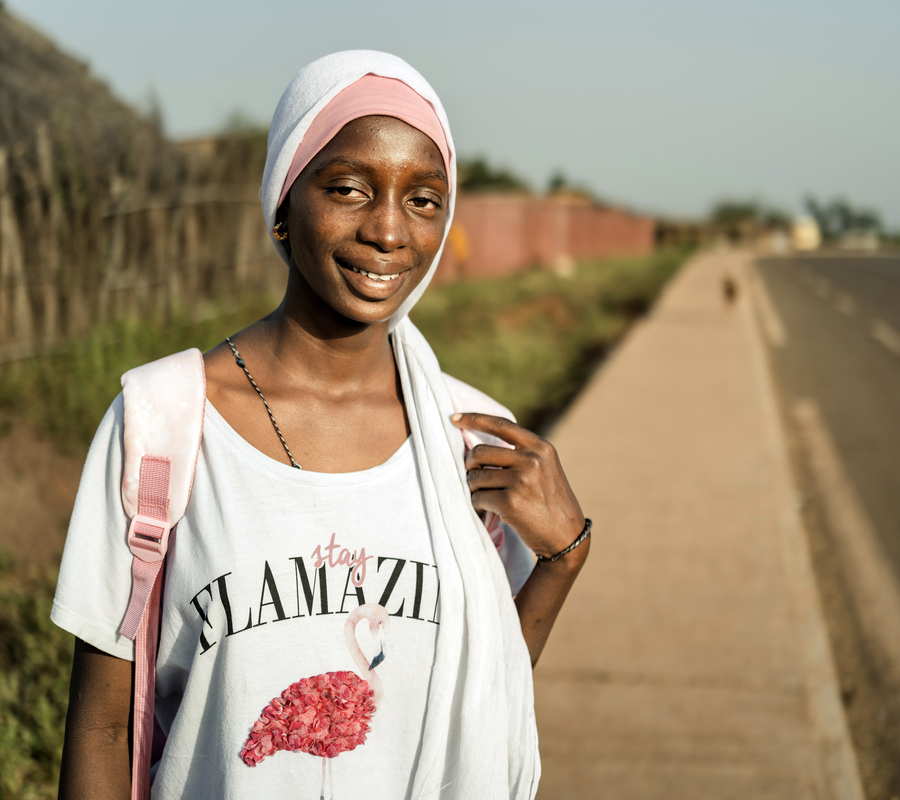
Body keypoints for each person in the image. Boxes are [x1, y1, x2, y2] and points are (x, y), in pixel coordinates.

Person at [53, 50, 589, 800]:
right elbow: (104, 727)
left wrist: (561, 560)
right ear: (283, 200)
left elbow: (477, 702)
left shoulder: (465, 440)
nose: (388, 231)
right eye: (347, 188)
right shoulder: (161, 425)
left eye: (424, 200)